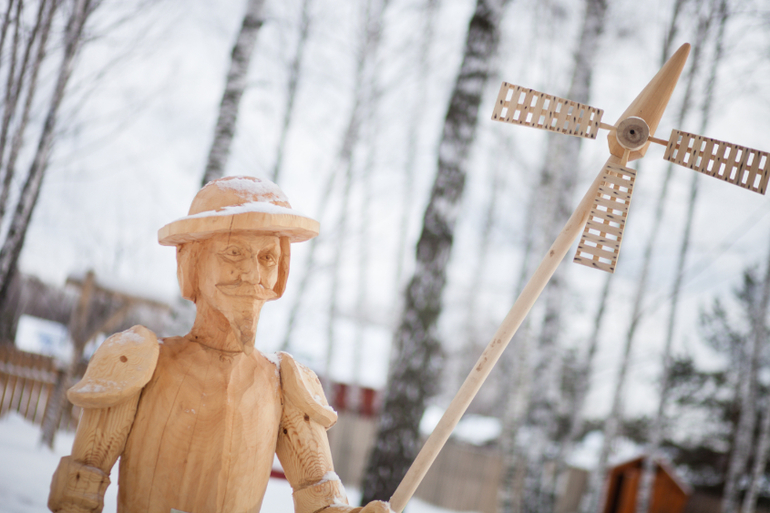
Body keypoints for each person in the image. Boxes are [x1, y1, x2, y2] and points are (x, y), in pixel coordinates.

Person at [48, 176, 389, 513]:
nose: (252, 274)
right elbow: (78, 492)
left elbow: (322, 502)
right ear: (191, 262)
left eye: (267, 258)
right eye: (233, 252)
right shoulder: (136, 359)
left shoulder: (285, 383)